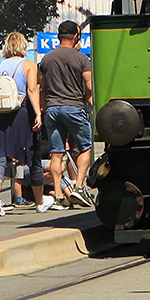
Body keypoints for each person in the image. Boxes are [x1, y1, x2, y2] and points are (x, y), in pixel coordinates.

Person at [0, 32, 50, 215]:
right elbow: (32, 90)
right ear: (23, 45)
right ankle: (39, 201)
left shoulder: (0, 66)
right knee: (33, 157)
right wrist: (38, 113)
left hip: (2, 115)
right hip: (22, 114)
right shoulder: (29, 65)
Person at [38, 20, 94, 208]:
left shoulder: (47, 59)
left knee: (57, 153)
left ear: (58, 36)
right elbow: (89, 85)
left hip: (52, 109)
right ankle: (78, 186)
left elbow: (42, 88)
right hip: (74, 107)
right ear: (76, 36)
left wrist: (44, 109)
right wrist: (85, 100)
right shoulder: (81, 59)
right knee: (85, 147)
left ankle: (59, 194)